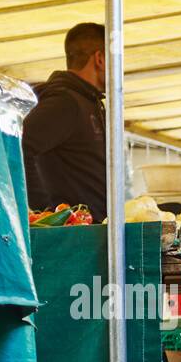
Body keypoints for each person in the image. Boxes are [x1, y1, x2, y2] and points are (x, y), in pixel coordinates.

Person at [22, 23, 109, 221]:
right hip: (74, 236)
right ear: (100, 59)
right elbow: (21, 144)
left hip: (93, 232)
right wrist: (47, 212)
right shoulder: (66, 102)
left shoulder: (89, 102)